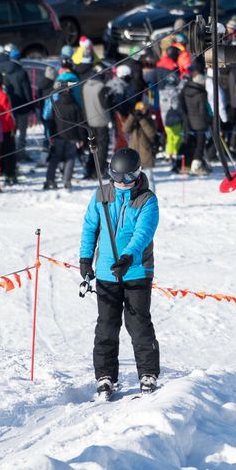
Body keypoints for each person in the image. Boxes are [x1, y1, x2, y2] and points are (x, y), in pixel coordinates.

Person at [79, 148, 160, 397]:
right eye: (116, 177)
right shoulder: (102, 194)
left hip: (136, 271)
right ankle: (105, 376)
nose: (121, 184)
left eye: (126, 178)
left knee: (138, 324)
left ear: (137, 174)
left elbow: (143, 234)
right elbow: (90, 227)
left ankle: (148, 373)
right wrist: (85, 259)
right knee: (106, 326)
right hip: (106, 272)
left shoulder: (147, 199)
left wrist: (127, 258)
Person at [42, 78, 85, 190]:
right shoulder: (75, 106)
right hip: (72, 137)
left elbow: (51, 122)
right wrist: (81, 138)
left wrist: (50, 136)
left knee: (54, 159)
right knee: (70, 159)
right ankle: (67, 181)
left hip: (57, 136)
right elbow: (80, 123)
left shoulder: (55, 105)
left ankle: (50, 179)